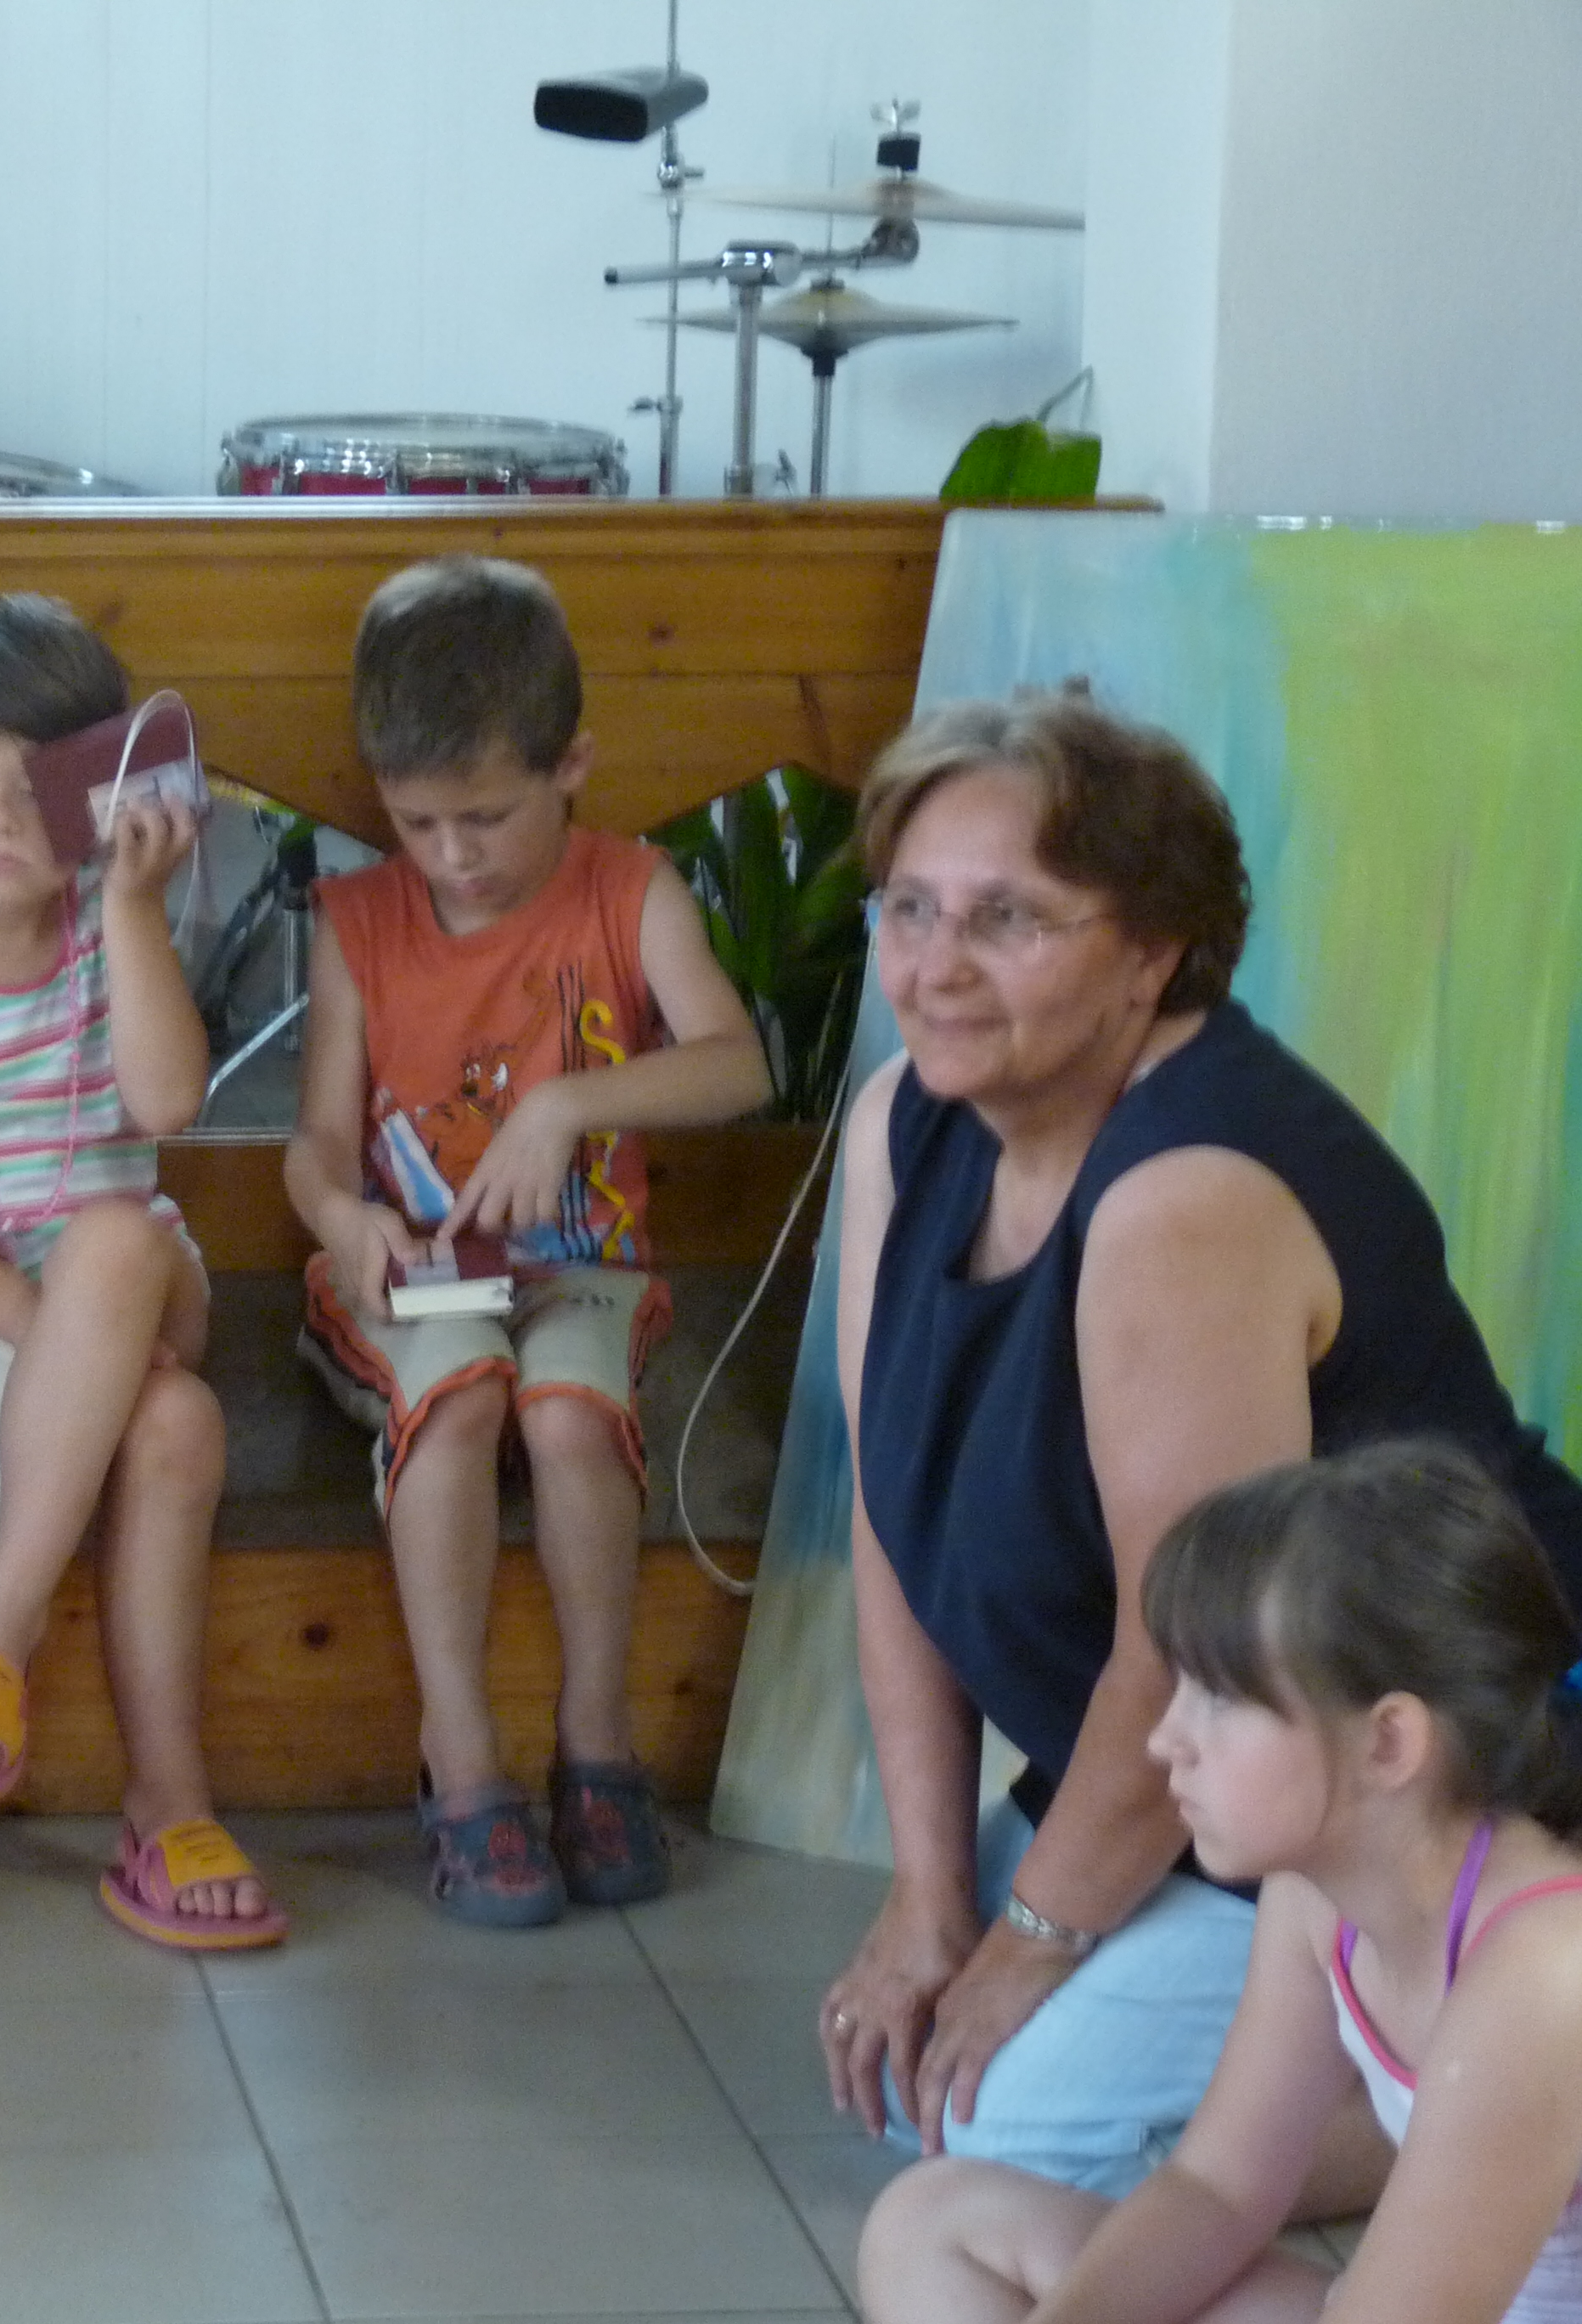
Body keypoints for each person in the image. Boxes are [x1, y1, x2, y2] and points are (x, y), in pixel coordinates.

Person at [821, 687, 1582, 2196]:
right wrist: (926, 1895)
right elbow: (889, 1509)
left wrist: (1032, 1936)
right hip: (1216, 1766)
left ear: (1150, 954)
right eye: (908, 907)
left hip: (1433, 1772)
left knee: (1010, 2133)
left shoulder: (1188, 1196)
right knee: (922, 2087)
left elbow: (1185, 1643)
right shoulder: (902, 1120)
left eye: (1007, 919)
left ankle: (1515, 2104)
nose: (936, 966)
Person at [283, 556, 769, 1924]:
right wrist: (343, 1217)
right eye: (416, 821)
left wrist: (568, 1105)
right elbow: (314, 1141)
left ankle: (597, 1744)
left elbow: (737, 1064)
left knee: (566, 1416)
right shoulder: (360, 924)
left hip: (579, 1273)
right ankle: (463, 1762)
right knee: (456, 1399)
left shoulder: (630, 890)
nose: (451, 856)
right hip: (411, 1278)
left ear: (574, 767)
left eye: (486, 818)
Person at [859, 1441, 1582, 2324]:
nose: (1166, 1740)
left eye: (1220, 1698)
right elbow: (1218, 2190)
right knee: (932, 2221)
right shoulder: (1316, 1898)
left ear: (1389, 1742)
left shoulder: (1541, 1974)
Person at [0, 590, 285, 1952]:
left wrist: (134, 905)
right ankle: (168, 1806)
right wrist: (57, 1339)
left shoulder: (109, 925)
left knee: (117, 1235)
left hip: (135, 1281)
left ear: (98, 793)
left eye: (37, 785)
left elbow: (167, 1102)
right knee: (178, 1424)